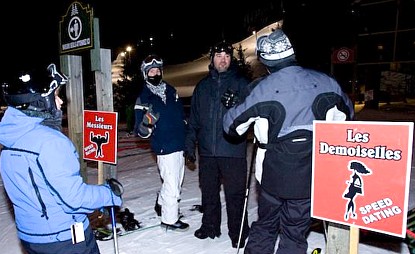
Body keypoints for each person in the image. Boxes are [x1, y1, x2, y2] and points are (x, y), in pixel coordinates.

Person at [223, 29, 355, 254]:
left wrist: (236, 104)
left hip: (272, 175)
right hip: (310, 174)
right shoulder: (326, 82)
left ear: (266, 62)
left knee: (266, 224)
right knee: (295, 230)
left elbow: (231, 126)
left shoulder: (260, 89)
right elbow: (347, 116)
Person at [0, 63, 122, 254]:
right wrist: (109, 194)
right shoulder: (50, 142)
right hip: (64, 239)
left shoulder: (11, 139)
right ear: (40, 102)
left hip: (32, 237)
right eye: (55, 96)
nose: (60, 102)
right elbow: (73, 199)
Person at [185, 40, 251, 248]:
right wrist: (189, 144)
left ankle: (238, 231)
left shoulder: (242, 83)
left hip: (232, 150)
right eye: (219, 56)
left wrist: (238, 104)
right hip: (207, 152)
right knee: (209, 192)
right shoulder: (202, 86)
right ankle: (210, 226)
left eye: (227, 56)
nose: (223, 60)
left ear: (231, 60)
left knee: (235, 194)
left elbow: (252, 113)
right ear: (212, 60)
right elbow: (194, 119)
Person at [133, 54, 189, 232]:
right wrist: (146, 125)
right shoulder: (144, 97)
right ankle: (169, 219)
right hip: (164, 145)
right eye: (151, 71)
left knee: (175, 182)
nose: (155, 73)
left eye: (158, 70)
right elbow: (139, 131)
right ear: (145, 73)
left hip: (179, 143)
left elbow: (181, 116)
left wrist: (188, 132)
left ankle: (161, 202)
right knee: (172, 186)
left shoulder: (171, 91)